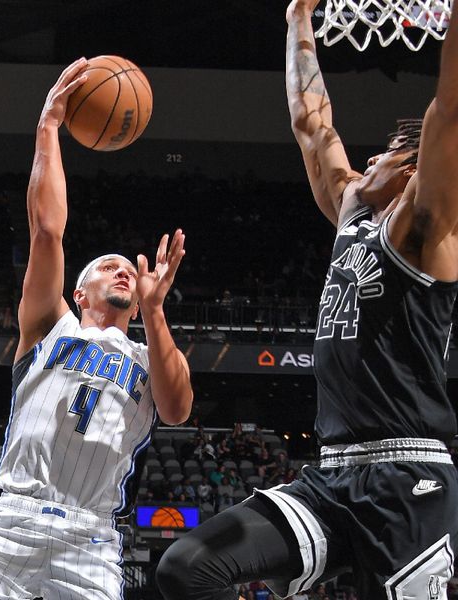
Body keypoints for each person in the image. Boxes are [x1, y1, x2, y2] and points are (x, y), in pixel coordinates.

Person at [157, 1, 458, 598]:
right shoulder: (354, 215)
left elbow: (449, 106)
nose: (363, 160)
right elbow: (310, 122)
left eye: (383, 154)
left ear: (412, 168)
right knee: (187, 567)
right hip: (331, 476)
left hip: (409, 479)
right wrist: (298, 19)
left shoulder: (427, 226)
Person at [0, 58, 193, 600]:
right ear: (78, 293)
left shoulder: (151, 357)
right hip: (12, 525)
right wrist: (49, 128)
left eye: (130, 266)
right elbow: (48, 231)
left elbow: (177, 409)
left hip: (90, 538)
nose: (123, 269)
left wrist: (155, 312)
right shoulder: (50, 327)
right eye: (107, 265)